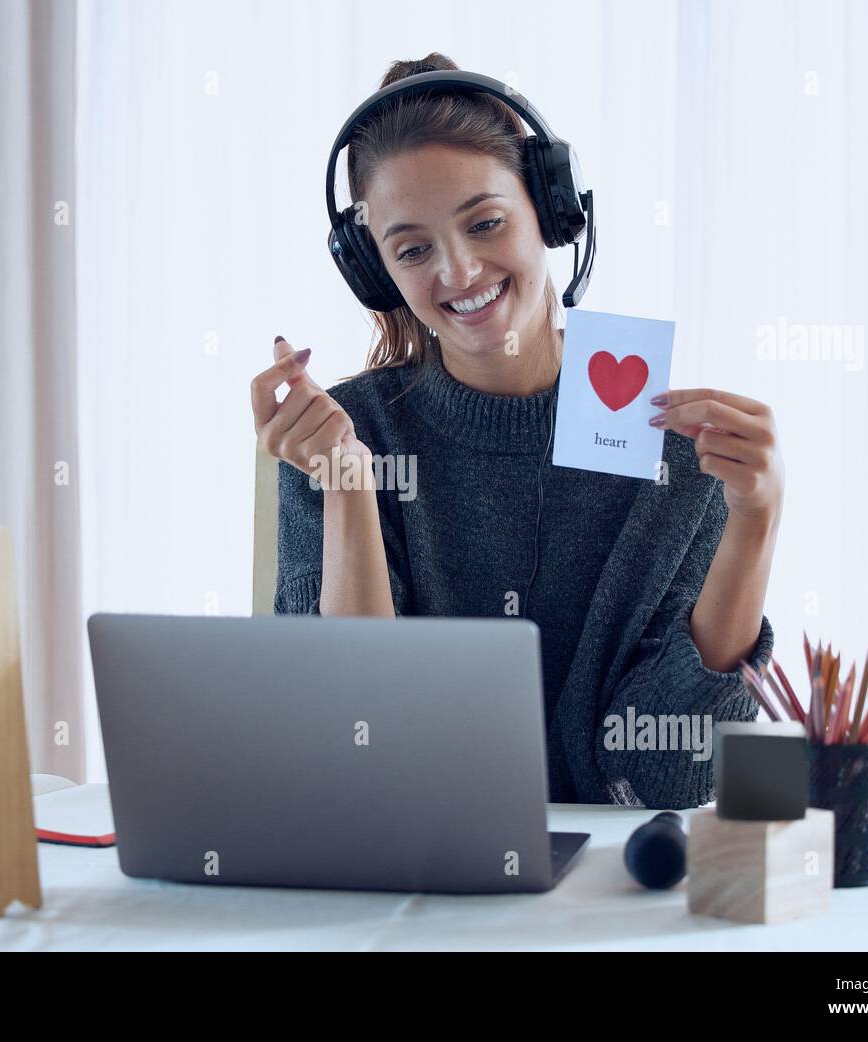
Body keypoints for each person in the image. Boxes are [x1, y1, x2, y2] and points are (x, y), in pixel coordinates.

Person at [249, 54, 784, 808]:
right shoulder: (341, 438)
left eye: (486, 223)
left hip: (605, 901)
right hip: (408, 883)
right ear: (378, 274)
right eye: (412, 249)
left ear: (552, 212)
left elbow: (671, 773)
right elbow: (350, 747)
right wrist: (347, 484)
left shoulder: (681, 453)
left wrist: (756, 523)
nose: (459, 270)